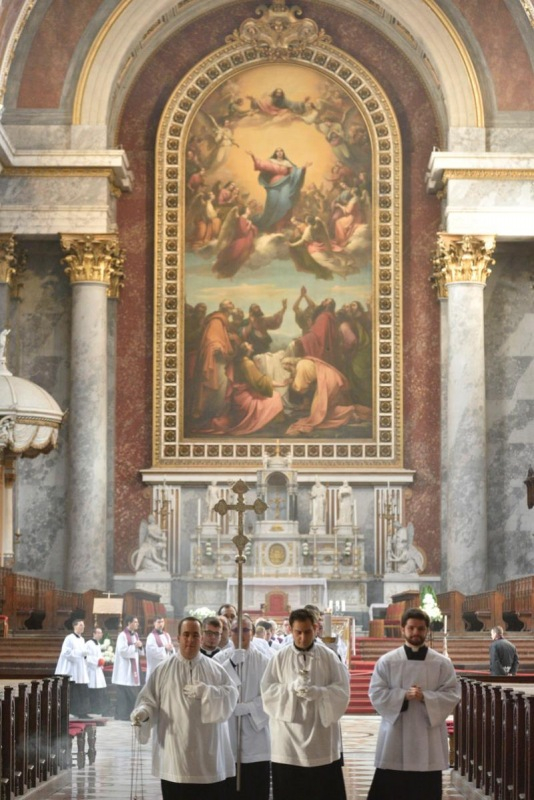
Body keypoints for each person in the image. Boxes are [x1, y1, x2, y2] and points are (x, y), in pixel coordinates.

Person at [131, 617, 238, 799]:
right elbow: (149, 700)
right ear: (178, 638)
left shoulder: (216, 669)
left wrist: (207, 692)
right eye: (186, 635)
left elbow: (231, 695)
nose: (190, 639)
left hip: (208, 754)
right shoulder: (163, 670)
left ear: (201, 638)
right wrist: (143, 712)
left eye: (195, 635)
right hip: (174, 755)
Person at [367, 607, 460, 800]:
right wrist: (403, 696)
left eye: (420, 628)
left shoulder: (441, 663)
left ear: (427, 630)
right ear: (402, 629)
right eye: (411, 628)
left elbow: (452, 694)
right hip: (395, 737)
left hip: (428, 737)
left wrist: (425, 697)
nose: (416, 632)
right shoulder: (387, 661)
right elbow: (376, 693)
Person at [261, 607, 350, 800]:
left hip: (321, 738)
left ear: (316, 628)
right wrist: (291, 689)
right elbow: (267, 692)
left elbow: (342, 691)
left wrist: (320, 693)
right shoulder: (279, 657)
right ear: (290, 630)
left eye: (307, 632)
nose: (302, 637)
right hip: (288, 740)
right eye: (298, 632)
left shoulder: (329, 657)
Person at [214, 616, 271, 800]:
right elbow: (212, 688)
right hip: (228, 731)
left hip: (256, 736)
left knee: (255, 789)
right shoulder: (219, 659)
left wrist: (248, 708)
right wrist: (230, 664)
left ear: (252, 633)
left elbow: (271, 695)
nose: (240, 635)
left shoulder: (264, 661)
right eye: (236, 630)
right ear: (229, 633)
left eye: (245, 630)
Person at [55, 618, 90, 718]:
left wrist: (85, 655)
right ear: (74, 626)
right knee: (73, 691)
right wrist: (80, 653)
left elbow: (83, 653)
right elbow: (66, 652)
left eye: (83, 625)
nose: (83, 627)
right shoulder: (69, 638)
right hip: (71, 668)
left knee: (81, 690)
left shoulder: (82, 639)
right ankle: (72, 711)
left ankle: (82, 712)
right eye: (80, 625)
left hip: (80, 669)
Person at [112, 615, 144, 720]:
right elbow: (122, 651)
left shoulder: (136, 634)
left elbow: (139, 651)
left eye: (137, 622)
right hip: (124, 668)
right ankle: (122, 715)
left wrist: (140, 646)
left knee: (131, 691)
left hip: (133, 667)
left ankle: (130, 713)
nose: (137, 624)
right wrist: (135, 646)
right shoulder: (122, 635)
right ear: (129, 623)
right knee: (124, 693)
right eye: (135, 622)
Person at [86, 626, 107, 715]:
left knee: (99, 689)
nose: (100, 634)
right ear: (94, 633)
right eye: (98, 633)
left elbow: (99, 655)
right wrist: (97, 662)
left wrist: (102, 661)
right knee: (92, 689)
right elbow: (87, 657)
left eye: (101, 633)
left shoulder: (97, 644)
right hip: (91, 669)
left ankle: (98, 708)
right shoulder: (89, 643)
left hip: (98, 669)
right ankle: (92, 708)